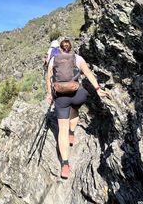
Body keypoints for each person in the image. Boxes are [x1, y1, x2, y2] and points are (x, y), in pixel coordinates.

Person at [46, 39, 111, 179]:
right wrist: (98, 89)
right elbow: (88, 74)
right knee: (74, 108)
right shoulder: (78, 58)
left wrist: (49, 95)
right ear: (71, 48)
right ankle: (72, 133)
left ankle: (65, 165)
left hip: (61, 97)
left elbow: (49, 79)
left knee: (61, 129)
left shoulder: (53, 60)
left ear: (61, 49)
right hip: (77, 94)